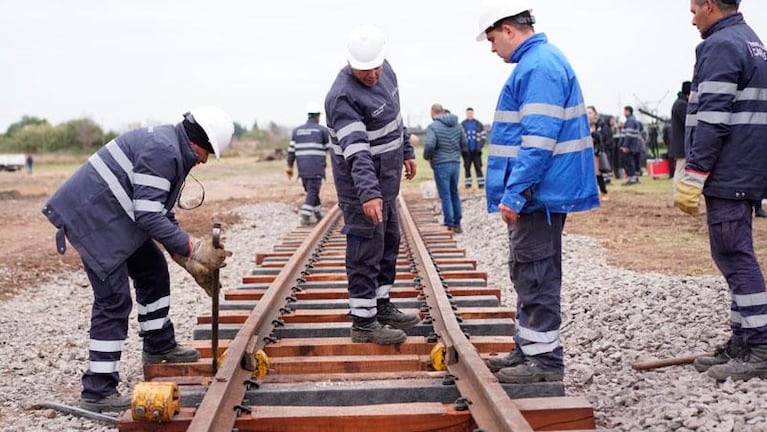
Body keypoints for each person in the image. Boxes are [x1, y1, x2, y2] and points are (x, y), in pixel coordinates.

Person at [41, 106, 234, 411]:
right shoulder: (163, 151)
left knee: (153, 271)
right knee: (113, 301)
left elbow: (159, 212)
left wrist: (183, 259)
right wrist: (193, 248)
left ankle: (158, 345)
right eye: (206, 152)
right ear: (198, 143)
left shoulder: (171, 147)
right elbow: (147, 215)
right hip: (94, 221)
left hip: (116, 218)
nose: (204, 160)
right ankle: (98, 390)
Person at [475, 1, 599, 384]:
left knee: (537, 274)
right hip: (538, 193)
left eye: (493, 39)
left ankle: (544, 363)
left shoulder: (538, 66)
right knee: (528, 271)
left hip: (537, 194)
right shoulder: (538, 62)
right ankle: (529, 348)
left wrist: (514, 194)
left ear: (509, 30)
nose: (492, 48)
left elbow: (538, 140)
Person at [676, 0, 767, 382]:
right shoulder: (750, 41)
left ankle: (759, 346)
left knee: (733, 253)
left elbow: (713, 117)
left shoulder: (720, 45)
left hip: (729, 170)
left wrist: (694, 172)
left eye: (694, 7)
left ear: (710, 5)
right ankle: (743, 340)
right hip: (746, 166)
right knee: (733, 254)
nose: (691, 15)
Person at [324, 24, 420, 345]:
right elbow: (357, 152)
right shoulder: (342, 97)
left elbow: (395, 118)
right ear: (351, 63)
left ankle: (380, 305)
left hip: (387, 183)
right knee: (366, 248)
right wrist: (368, 193)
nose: (372, 75)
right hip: (361, 188)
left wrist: (406, 150)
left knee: (388, 243)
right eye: (364, 70)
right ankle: (364, 323)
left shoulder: (387, 72)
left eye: (376, 67)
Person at [424, 103, 468, 233]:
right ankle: (457, 223)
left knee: (445, 194)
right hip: (455, 163)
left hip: (441, 163)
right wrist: (456, 153)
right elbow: (464, 143)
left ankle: (449, 222)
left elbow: (430, 144)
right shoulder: (458, 125)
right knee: (455, 192)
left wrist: (427, 156)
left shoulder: (433, 126)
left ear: (433, 112)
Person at [286, 103, 331, 226]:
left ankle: (318, 215)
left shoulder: (297, 131)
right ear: (317, 116)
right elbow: (330, 150)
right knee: (313, 191)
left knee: (311, 191)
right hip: (316, 168)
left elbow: (291, 152)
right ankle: (305, 216)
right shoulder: (322, 131)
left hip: (302, 169)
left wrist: (289, 167)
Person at [669, 81, 691, 186]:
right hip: (682, 145)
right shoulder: (682, 105)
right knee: (681, 171)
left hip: (679, 144)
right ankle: (678, 195)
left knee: (680, 170)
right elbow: (688, 123)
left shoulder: (678, 103)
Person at [460, 107, 487, 189]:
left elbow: (483, 136)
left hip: (476, 151)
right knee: (467, 167)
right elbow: (459, 138)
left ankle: (481, 184)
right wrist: (463, 148)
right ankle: (468, 184)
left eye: (471, 113)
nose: (469, 114)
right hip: (466, 152)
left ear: (473, 113)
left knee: (478, 167)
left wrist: (480, 147)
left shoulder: (478, 124)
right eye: (468, 113)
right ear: (466, 114)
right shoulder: (462, 125)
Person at [587, 105, 610, 199]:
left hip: (596, 151)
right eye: (586, 113)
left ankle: (603, 192)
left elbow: (602, 137)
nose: (588, 115)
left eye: (590, 113)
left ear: (595, 113)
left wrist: (593, 132)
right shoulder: (583, 124)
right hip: (586, 150)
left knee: (597, 172)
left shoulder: (600, 124)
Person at [619, 106, 642, 185]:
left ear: (628, 111)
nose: (623, 113)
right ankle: (633, 178)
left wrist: (625, 145)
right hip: (632, 145)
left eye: (624, 111)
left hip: (629, 146)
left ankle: (632, 179)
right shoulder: (632, 120)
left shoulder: (630, 121)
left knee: (629, 162)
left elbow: (628, 134)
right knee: (631, 162)